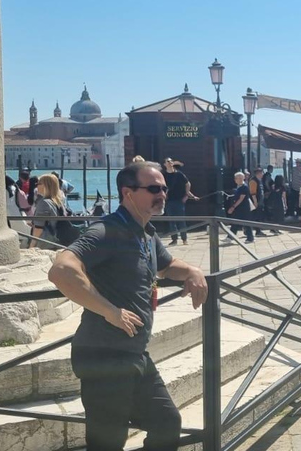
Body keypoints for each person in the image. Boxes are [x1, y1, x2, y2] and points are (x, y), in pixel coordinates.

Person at [48, 161, 208, 451]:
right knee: (107, 442)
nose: (162, 194)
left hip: (134, 354)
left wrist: (194, 272)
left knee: (167, 422)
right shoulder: (107, 231)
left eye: (164, 188)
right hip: (103, 355)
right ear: (128, 193)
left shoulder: (145, 234)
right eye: (153, 188)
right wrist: (109, 310)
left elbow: (168, 265)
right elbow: (61, 269)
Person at [162, 158, 198, 246]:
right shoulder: (163, 175)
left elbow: (187, 184)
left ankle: (184, 239)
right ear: (165, 164)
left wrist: (187, 195)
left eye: (171, 161)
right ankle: (174, 239)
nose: (170, 163)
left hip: (179, 200)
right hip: (169, 201)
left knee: (181, 220)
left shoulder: (179, 174)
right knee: (171, 221)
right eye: (168, 162)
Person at [30, 174, 66, 250]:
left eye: (39, 184)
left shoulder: (44, 203)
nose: (37, 186)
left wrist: (31, 245)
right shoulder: (58, 201)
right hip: (56, 240)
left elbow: (39, 228)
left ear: (46, 186)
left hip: (44, 242)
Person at [225, 172, 254, 243]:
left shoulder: (244, 187)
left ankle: (250, 238)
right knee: (235, 222)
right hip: (239, 208)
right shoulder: (238, 187)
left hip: (244, 208)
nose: (240, 180)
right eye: (238, 178)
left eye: (241, 178)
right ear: (235, 179)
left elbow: (241, 198)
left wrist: (233, 207)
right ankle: (230, 237)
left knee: (246, 223)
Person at [5, 175, 30, 245]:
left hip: (6, 214)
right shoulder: (15, 188)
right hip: (16, 213)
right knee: (21, 234)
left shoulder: (1, 190)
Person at [248, 168, 267, 237]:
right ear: (259, 173)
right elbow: (253, 193)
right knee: (255, 216)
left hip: (260, 201)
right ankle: (256, 231)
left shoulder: (260, 181)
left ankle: (257, 230)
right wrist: (255, 202)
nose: (263, 174)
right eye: (262, 173)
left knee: (258, 216)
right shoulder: (253, 181)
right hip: (256, 202)